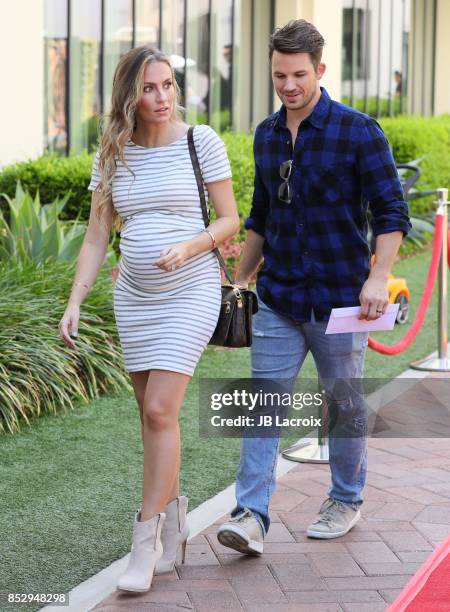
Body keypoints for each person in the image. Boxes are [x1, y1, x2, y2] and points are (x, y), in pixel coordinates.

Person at [217, 19, 411, 554]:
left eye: (299, 74)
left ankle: (346, 498)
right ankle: (250, 514)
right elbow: (260, 218)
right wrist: (238, 282)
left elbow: (392, 211)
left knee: (342, 403)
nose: (288, 86)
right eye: (279, 75)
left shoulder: (358, 131)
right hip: (279, 296)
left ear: (320, 69)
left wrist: (378, 276)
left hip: (341, 299)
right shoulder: (266, 134)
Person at [58, 45, 240, 592]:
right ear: (129, 95)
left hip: (191, 289)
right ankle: (176, 525)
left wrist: (190, 246)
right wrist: (75, 299)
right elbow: (97, 235)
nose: (161, 97)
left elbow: (231, 219)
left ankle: (144, 542)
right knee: (152, 417)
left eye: (167, 85)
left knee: (161, 409)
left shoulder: (198, 141)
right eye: (148, 88)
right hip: (135, 297)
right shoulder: (113, 153)